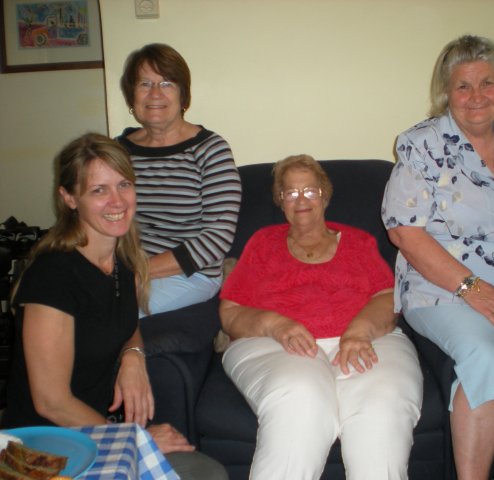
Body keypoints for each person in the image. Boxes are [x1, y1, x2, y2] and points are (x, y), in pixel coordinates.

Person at [381, 35, 494, 479]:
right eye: (463, 86)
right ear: (446, 93)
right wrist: (471, 287)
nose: (476, 96)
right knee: (483, 353)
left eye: (487, 83)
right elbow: (404, 231)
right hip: (443, 286)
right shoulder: (422, 144)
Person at [1, 133, 228, 480]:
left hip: (90, 436)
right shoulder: (53, 275)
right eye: (98, 190)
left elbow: (122, 321)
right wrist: (134, 439)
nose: (117, 200)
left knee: (206, 471)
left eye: (123, 184)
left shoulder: (121, 262)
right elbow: (50, 401)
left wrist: (133, 355)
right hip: (41, 452)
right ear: (69, 199)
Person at [220, 155, 423, 480]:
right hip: (273, 345)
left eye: (310, 191)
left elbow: (388, 297)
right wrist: (276, 324)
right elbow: (230, 312)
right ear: (280, 200)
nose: (301, 200)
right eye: (291, 192)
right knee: (301, 398)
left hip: (368, 339)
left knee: (382, 406)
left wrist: (360, 330)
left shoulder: (359, 242)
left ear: (325, 196)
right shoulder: (262, 243)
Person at [116, 43, 241, 316]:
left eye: (167, 83)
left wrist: (139, 272)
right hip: (123, 268)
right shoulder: (118, 152)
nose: (154, 93)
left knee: (102, 314)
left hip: (189, 275)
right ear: (131, 96)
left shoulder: (210, 149)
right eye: (144, 83)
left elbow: (217, 237)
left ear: (184, 96)